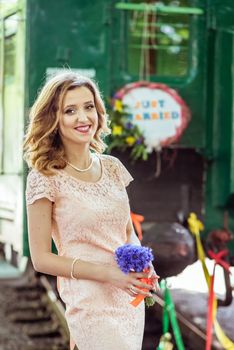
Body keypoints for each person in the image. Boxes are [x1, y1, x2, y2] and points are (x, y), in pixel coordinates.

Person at [23, 72, 159, 350]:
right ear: (53, 119)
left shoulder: (111, 167)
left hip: (127, 297)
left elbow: (126, 230)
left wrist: (145, 263)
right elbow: (41, 259)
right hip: (89, 299)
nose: (83, 118)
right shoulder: (44, 176)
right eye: (70, 110)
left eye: (89, 107)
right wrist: (108, 274)